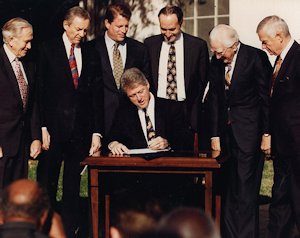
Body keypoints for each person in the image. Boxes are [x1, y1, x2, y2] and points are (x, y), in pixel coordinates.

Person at [36, 6, 102, 238]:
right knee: (48, 181)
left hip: (80, 131)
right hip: (53, 130)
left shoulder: (91, 53)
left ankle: (69, 229)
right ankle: (45, 227)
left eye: (85, 30)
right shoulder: (47, 49)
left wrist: (96, 132)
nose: (82, 34)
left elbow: (96, 97)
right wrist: (41, 128)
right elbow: (39, 93)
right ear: (66, 25)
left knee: (73, 184)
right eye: (78, 29)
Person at [209, 24, 272, 238]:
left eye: (219, 52)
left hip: (249, 134)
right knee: (228, 188)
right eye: (214, 52)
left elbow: (265, 100)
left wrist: (266, 134)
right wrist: (215, 135)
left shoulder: (256, 58)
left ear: (234, 46)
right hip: (226, 138)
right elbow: (216, 99)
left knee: (246, 191)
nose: (217, 57)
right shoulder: (216, 61)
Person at [256, 15, 300, 238]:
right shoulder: (279, 61)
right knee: (280, 202)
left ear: (279, 36)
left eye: (265, 41)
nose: (263, 46)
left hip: (297, 149)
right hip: (284, 150)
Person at [144, 5, 209, 134]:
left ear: (181, 22)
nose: (167, 34)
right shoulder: (150, 44)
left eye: (172, 29)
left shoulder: (198, 46)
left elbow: (203, 80)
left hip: (186, 111)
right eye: (163, 29)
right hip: (159, 109)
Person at [93, 2, 150, 136]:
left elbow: (146, 82)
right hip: (101, 124)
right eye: (119, 26)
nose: (124, 30)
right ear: (107, 24)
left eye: (126, 26)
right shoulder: (91, 49)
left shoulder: (139, 50)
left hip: (131, 123)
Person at [106, 67, 193, 155]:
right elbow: (111, 138)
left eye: (141, 91)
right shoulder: (124, 113)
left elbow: (186, 141)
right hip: (136, 166)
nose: (139, 98)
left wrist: (167, 143)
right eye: (132, 95)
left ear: (147, 84)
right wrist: (114, 144)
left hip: (167, 163)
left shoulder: (172, 108)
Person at [0, 17, 42, 189]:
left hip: (21, 146)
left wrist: (36, 138)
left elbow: (31, 105)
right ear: (11, 40)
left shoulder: (28, 64)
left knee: (16, 197)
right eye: (26, 41)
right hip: (2, 145)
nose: (29, 46)